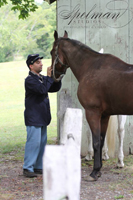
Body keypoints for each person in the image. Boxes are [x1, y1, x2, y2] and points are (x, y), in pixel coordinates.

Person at [23, 54, 61, 178]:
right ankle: (28, 168)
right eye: (38, 62)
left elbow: (53, 88)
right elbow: (41, 90)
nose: (41, 64)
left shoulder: (41, 78)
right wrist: (49, 77)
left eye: (41, 62)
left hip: (42, 117)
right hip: (33, 117)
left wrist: (57, 77)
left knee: (42, 143)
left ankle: (39, 166)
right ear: (31, 66)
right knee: (33, 143)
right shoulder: (30, 80)